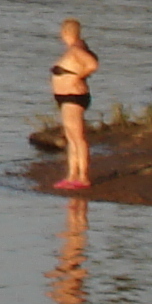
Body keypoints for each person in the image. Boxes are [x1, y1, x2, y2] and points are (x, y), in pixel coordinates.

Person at [49, 19, 98, 192]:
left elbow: (93, 64)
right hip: (66, 98)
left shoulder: (77, 49)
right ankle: (72, 175)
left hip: (74, 97)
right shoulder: (76, 48)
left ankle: (83, 177)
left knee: (78, 137)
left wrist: (79, 77)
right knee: (71, 137)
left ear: (65, 34)